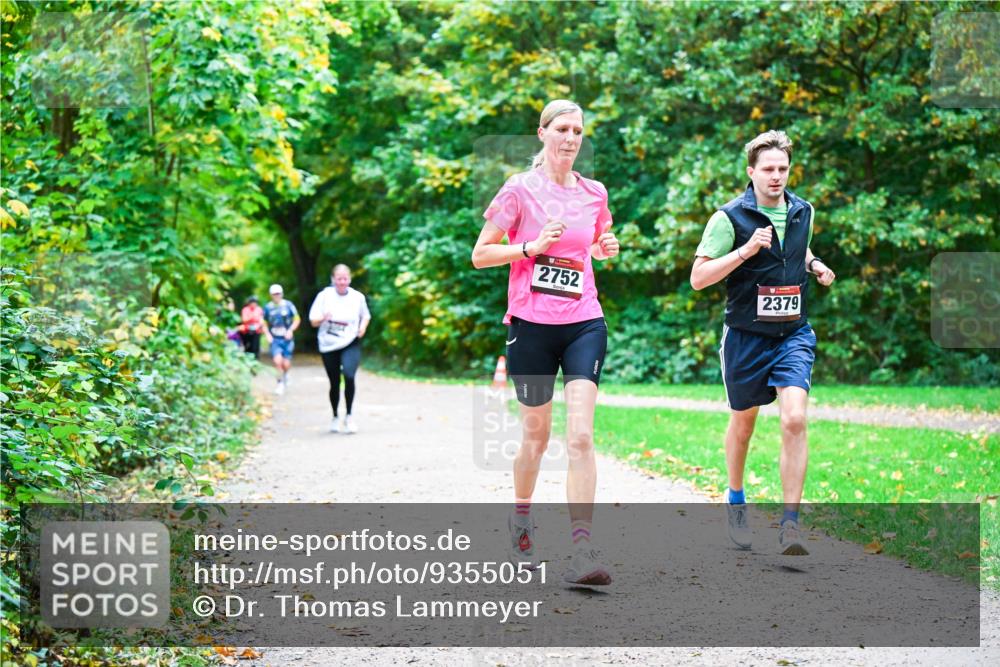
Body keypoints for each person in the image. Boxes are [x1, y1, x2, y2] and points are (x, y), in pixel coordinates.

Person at [471, 99, 620, 586]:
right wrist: (530, 248)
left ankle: (581, 550)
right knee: (536, 437)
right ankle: (520, 516)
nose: (571, 138)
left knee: (579, 436)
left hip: (583, 321)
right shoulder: (519, 190)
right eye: (562, 128)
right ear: (543, 134)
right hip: (531, 325)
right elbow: (481, 254)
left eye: (578, 130)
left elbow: (594, 244)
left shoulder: (594, 193)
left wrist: (605, 247)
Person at [690, 130, 836, 556]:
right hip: (745, 337)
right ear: (751, 171)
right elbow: (699, 278)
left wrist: (815, 264)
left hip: (793, 332)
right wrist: (744, 252)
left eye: (783, 169)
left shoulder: (803, 210)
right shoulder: (729, 218)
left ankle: (790, 524)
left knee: (794, 419)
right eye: (768, 169)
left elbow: (799, 249)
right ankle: (735, 498)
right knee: (744, 423)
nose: (776, 177)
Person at [309, 264, 371, 434]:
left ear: (349, 279)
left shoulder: (357, 297)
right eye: (339, 279)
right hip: (329, 344)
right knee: (334, 382)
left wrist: (362, 327)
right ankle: (335, 416)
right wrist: (323, 318)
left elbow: (365, 315)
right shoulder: (324, 296)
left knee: (349, 376)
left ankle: (349, 416)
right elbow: (313, 321)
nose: (342, 282)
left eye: (345, 278)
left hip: (350, 341)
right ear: (333, 279)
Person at [262, 284, 301, 395]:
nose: (276, 296)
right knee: (277, 361)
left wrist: (291, 330)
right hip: (275, 338)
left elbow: (297, 319)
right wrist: (267, 334)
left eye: (278, 293)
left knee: (286, 363)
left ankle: (285, 374)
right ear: (271, 295)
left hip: (287, 338)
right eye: (274, 294)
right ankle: (280, 383)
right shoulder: (268, 308)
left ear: (282, 294)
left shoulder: (288, 305)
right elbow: (263, 322)